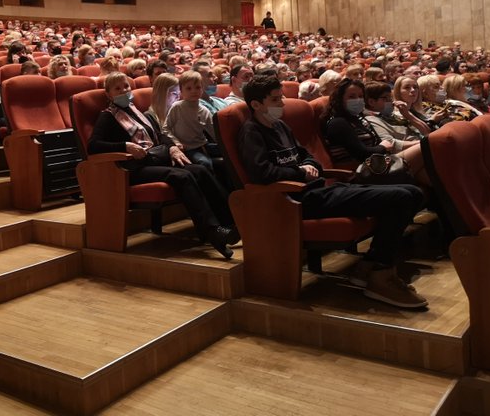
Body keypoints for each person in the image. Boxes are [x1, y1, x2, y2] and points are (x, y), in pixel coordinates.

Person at [238, 74, 427, 308]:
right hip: (298, 200)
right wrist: (300, 173)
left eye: (281, 98)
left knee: (413, 192)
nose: (282, 104)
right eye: (276, 100)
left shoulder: (280, 125)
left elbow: (306, 155)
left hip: (320, 191)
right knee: (401, 197)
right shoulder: (252, 132)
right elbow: (261, 173)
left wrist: (309, 166)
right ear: (256, 104)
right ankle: (380, 275)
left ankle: (371, 265)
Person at [87, 72, 239, 258]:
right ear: (108, 94)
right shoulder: (108, 117)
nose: (123, 90)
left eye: (125, 86)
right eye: (117, 88)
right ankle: (213, 231)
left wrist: (173, 148)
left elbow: (160, 135)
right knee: (181, 176)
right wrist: (125, 146)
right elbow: (93, 146)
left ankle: (231, 221)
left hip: (153, 160)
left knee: (198, 169)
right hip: (131, 169)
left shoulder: (136, 112)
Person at [163, 71, 219, 169]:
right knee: (204, 162)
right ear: (181, 90)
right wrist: (176, 142)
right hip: (188, 148)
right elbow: (166, 129)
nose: (194, 91)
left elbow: (214, 132)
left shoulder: (204, 110)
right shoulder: (177, 107)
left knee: (231, 153)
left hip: (203, 144)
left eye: (197, 87)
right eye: (188, 88)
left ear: (202, 89)